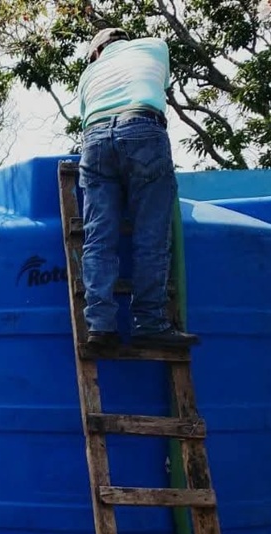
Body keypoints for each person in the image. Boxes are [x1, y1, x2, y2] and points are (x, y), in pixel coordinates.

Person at [77, 27, 198, 350]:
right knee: (151, 235)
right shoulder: (155, 47)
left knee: (99, 236)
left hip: (95, 140)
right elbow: (161, 86)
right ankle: (149, 322)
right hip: (141, 127)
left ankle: (100, 327)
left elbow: (86, 114)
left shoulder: (89, 74)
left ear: (97, 52)